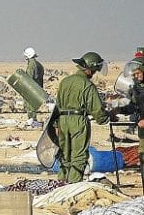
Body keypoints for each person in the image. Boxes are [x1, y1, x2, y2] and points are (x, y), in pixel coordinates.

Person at [53, 52, 113, 183]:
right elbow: (96, 109)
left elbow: (57, 105)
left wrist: (56, 125)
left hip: (62, 121)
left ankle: (61, 184)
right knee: (78, 156)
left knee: (64, 155)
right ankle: (73, 186)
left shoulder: (65, 82)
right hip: (78, 121)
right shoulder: (87, 85)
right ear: (90, 69)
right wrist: (107, 117)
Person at [110, 57, 144, 185]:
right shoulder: (139, 89)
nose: (135, 76)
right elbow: (134, 107)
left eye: (138, 73)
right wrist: (119, 110)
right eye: (134, 74)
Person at [23, 47, 45, 124]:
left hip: (32, 88)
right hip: (37, 87)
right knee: (34, 105)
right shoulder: (39, 64)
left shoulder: (31, 65)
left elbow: (29, 78)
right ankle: (33, 120)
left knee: (30, 105)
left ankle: (32, 119)